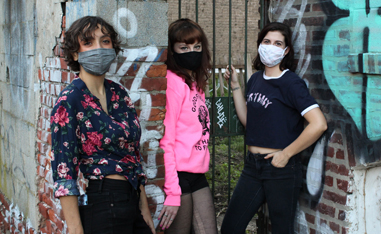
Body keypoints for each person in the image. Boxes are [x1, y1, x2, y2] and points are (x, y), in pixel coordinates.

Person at [50, 16, 155, 234]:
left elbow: (134, 157)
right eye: (88, 42)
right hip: (102, 203)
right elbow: (64, 172)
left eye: (105, 41)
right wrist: (76, 229)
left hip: (132, 200)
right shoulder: (69, 101)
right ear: (74, 53)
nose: (99, 48)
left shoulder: (119, 93)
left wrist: (144, 211)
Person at [221, 22, 327, 234]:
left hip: (280, 169)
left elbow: (319, 124)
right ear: (260, 44)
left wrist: (286, 154)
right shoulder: (255, 79)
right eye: (267, 41)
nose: (271, 46)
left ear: (286, 50)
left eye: (278, 43)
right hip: (252, 167)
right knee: (230, 227)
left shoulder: (290, 83)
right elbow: (248, 122)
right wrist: (235, 85)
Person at [158, 18, 217, 233]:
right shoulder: (173, 83)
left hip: (197, 174)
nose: (192, 52)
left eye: (197, 47)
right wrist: (173, 192)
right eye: (184, 47)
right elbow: (167, 140)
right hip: (178, 177)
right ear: (173, 50)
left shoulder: (194, 84)